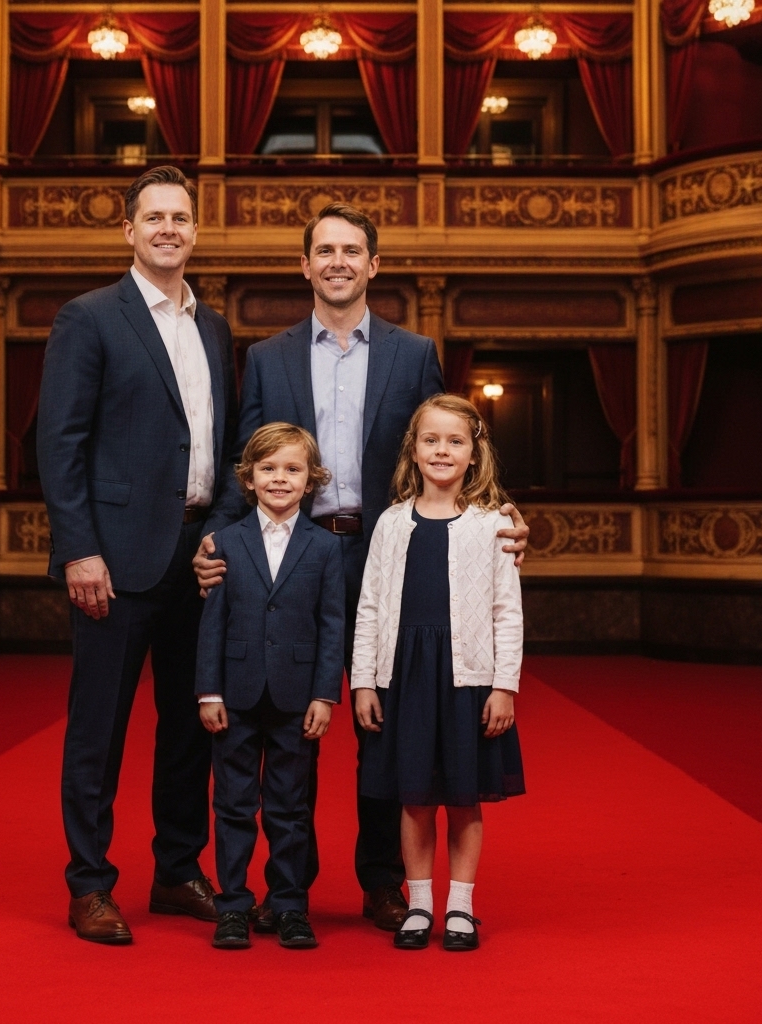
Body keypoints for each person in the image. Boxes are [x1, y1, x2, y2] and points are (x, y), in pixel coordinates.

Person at [196, 202, 530, 932]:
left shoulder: (414, 354)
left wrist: (503, 514)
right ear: (305, 264)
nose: (339, 261)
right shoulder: (271, 356)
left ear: (374, 265)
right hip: (295, 554)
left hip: (390, 557)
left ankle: (384, 880)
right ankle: (292, 890)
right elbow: (243, 462)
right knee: (291, 713)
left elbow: (447, 443)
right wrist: (219, 536)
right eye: (325, 250)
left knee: (388, 718)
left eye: (353, 250)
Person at [37, 165, 237, 944]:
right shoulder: (88, 318)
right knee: (99, 728)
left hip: (198, 560)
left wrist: (220, 527)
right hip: (114, 562)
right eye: (152, 217)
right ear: (128, 230)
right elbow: (59, 444)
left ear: (195, 230)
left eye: (180, 218)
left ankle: (178, 870)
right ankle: (90, 883)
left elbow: (217, 448)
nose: (167, 229)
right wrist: (79, 550)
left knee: (191, 726)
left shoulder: (213, 326)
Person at [351, 394, 525, 952]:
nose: (442, 450)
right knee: (414, 796)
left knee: (464, 795)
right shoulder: (391, 522)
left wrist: (504, 685)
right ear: (414, 448)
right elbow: (371, 605)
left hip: (468, 676)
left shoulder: (492, 524)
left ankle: (461, 907)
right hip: (404, 676)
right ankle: (420, 904)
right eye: (431, 439)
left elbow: (506, 609)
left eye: (455, 441)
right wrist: (362, 680)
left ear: (474, 453)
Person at [196, 424, 345, 950]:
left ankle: (289, 905)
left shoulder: (325, 549)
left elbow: (333, 626)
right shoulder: (224, 542)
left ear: (311, 481)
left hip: (296, 697)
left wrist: (326, 695)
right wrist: (208, 692)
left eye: (292, 469)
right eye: (268, 469)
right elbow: (212, 623)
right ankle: (232, 905)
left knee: (289, 807)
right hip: (233, 696)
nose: (279, 478)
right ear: (249, 478)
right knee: (234, 805)